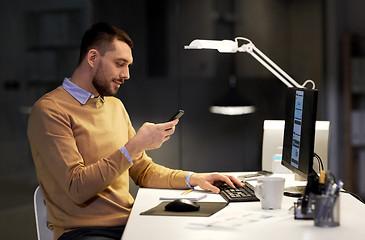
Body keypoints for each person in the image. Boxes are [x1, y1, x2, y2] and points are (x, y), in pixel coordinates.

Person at [27, 22, 243, 240]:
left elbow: (143, 171)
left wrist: (194, 179)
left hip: (130, 223)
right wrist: (136, 144)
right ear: (92, 58)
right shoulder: (50, 111)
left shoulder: (114, 106)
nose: (127, 74)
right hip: (84, 232)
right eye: (120, 64)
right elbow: (77, 187)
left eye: (128, 65)